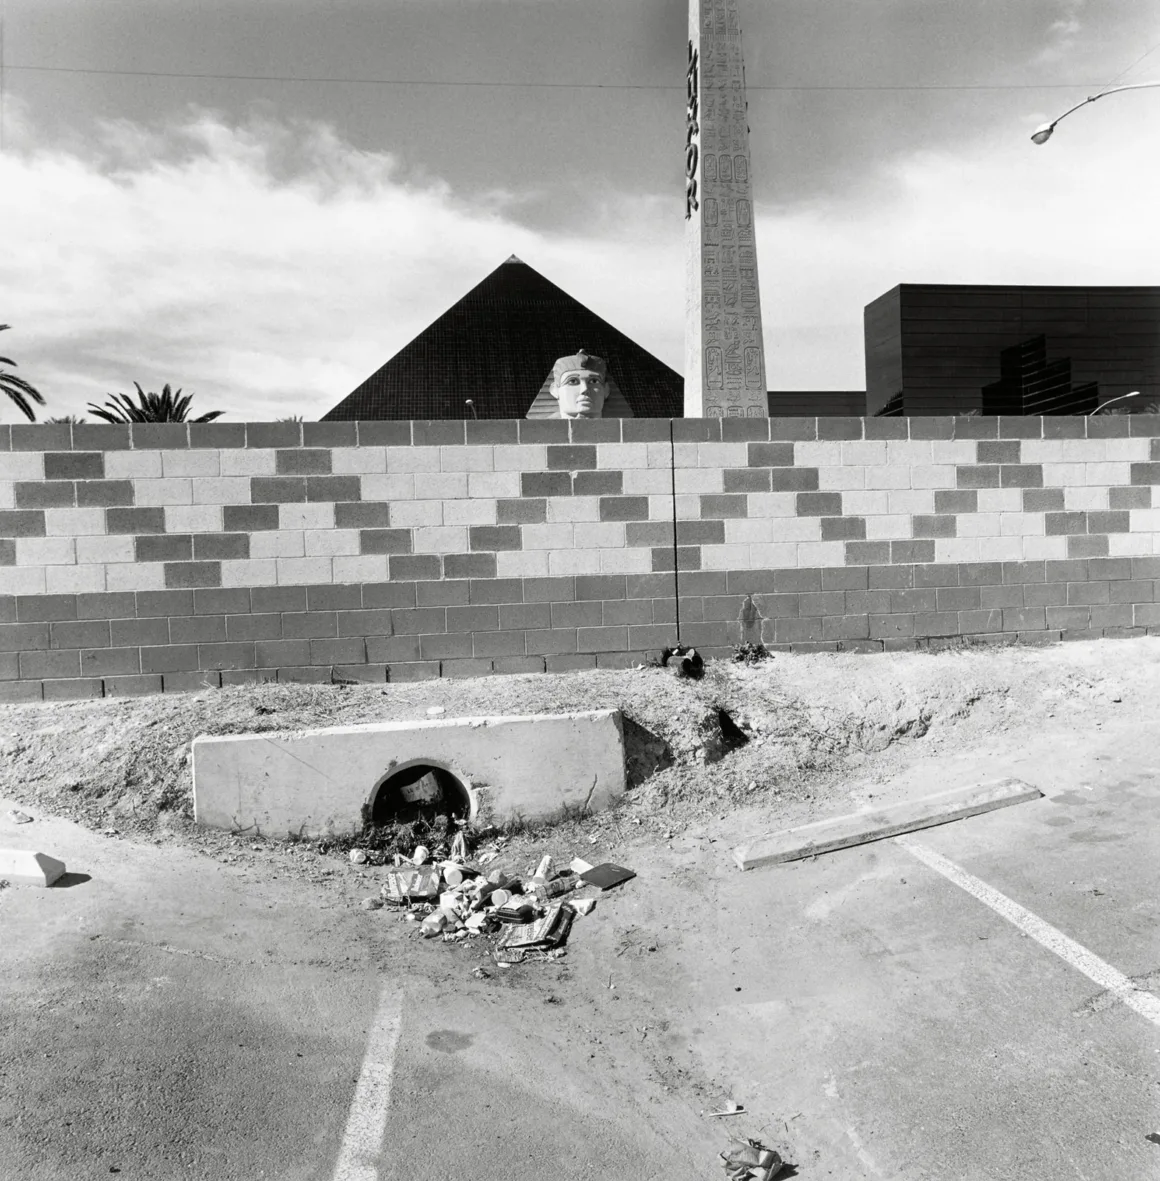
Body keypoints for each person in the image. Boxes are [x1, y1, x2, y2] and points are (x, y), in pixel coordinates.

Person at [547, 350, 610, 419]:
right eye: (572, 381)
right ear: (555, 390)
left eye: (594, 381)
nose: (584, 389)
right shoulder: (542, 426)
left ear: (606, 390)